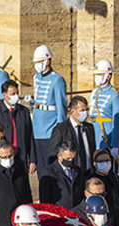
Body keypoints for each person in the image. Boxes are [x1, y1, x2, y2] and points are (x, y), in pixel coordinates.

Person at [30, 45, 67, 177]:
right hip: (37, 128)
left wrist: (60, 129)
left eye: (39, 61)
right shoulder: (37, 77)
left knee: (50, 166)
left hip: (50, 129)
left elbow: (61, 105)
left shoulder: (57, 79)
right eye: (36, 62)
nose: (37, 65)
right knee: (41, 168)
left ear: (48, 61)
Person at [0, 80, 36, 173]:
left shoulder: (24, 111)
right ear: (4, 95)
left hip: (21, 158)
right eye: (13, 93)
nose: (16, 96)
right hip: (3, 158)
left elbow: (30, 137)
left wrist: (32, 160)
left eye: (17, 93)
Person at [49, 96, 96, 174]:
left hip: (88, 172)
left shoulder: (89, 128)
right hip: (72, 174)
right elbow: (53, 153)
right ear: (72, 111)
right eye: (82, 110)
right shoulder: (61, 129)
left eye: (86, 110)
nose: (85, 113)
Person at [90, 60, 119, 156]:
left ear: (108, 76)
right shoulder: (95, 92)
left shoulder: (115, 95)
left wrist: (115, 144)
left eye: (100, 74)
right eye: (96, 74)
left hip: (106, 135)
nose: (97, 77)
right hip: (94, 135)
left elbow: (118, 122)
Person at [89, 149, 119, 226]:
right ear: (95, 164)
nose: (105, 163)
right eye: (101, 161)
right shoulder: (94, 180)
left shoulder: (114, 177)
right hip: (104, 223)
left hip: (117, 221)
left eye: (107, 160)